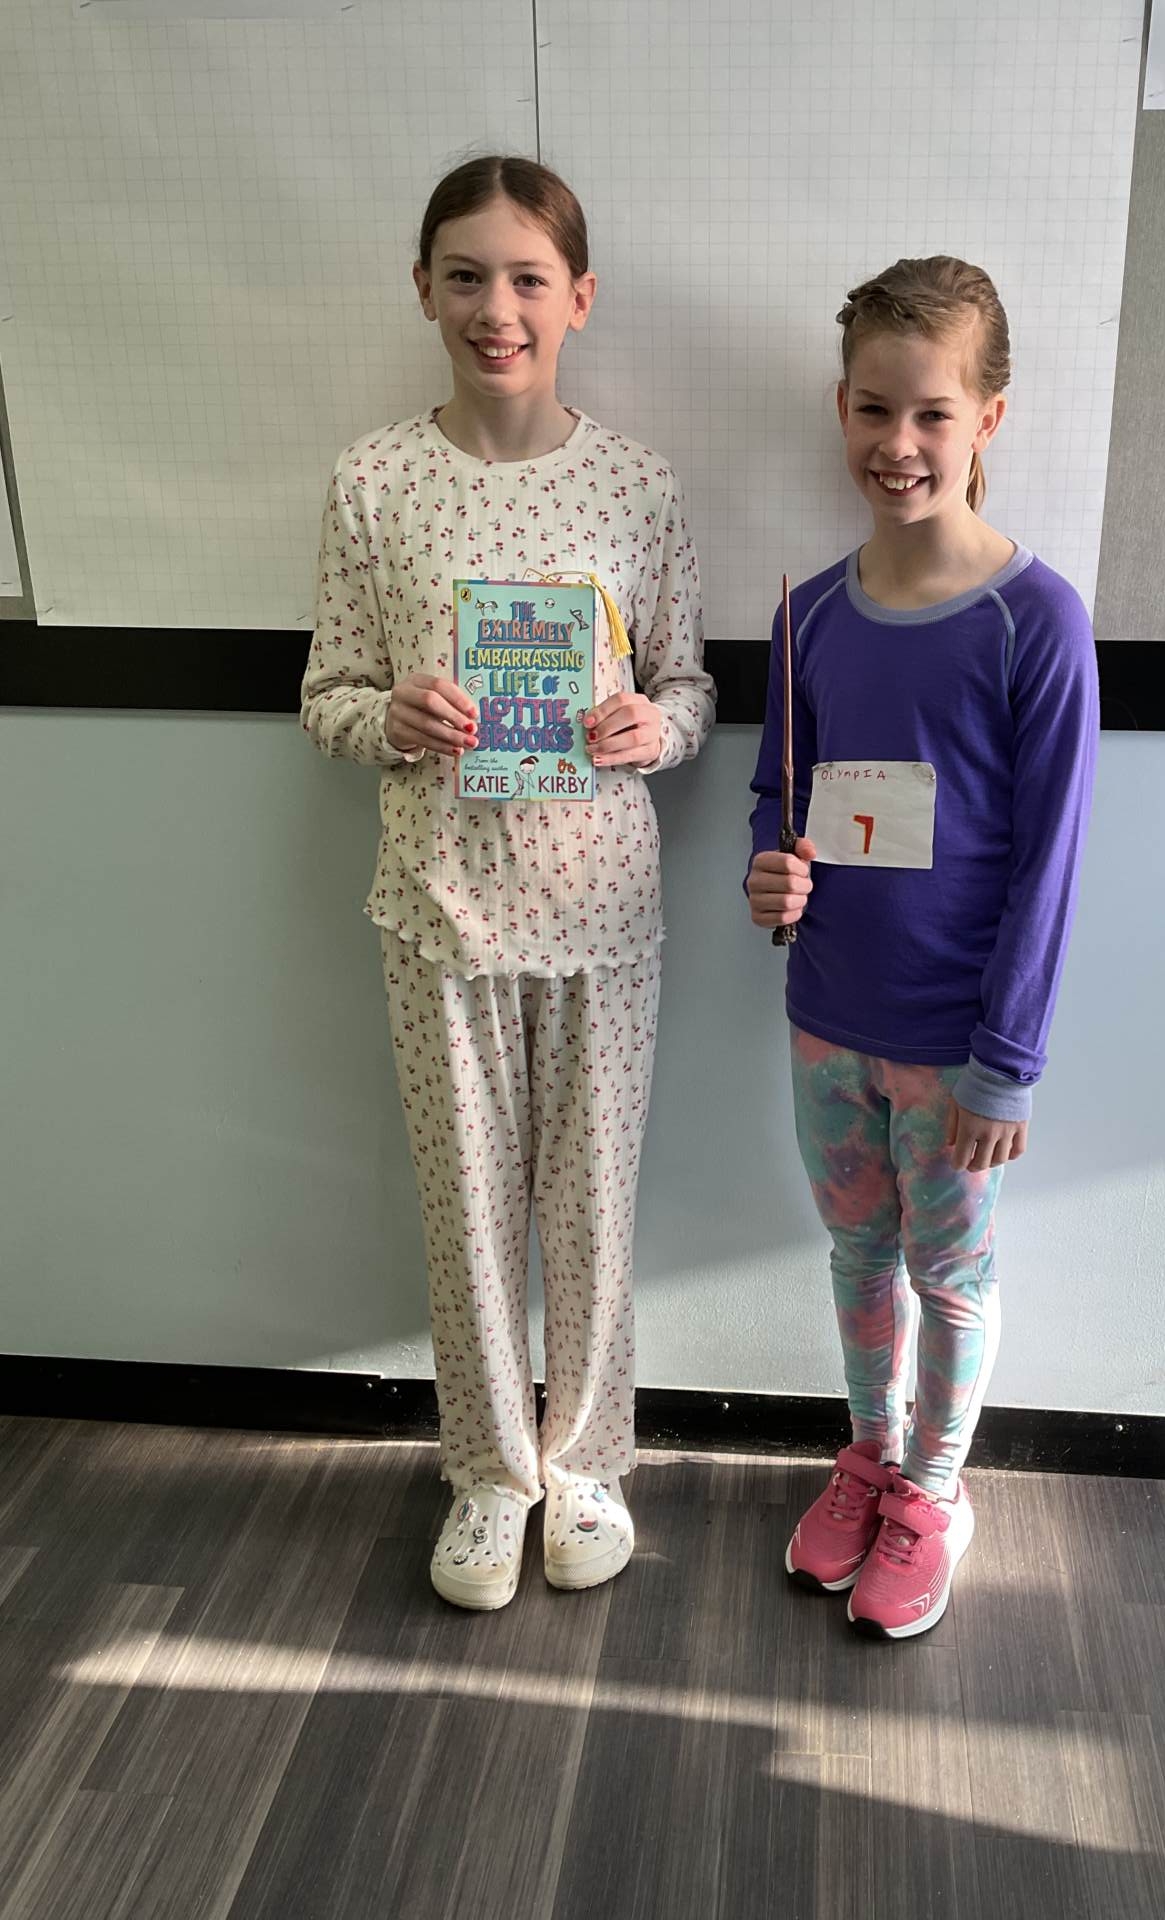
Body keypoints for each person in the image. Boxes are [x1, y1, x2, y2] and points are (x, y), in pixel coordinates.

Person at [302, 154, 713, 1610]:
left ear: (578, 298)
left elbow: (689, 686)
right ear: (424, 289)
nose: (498, 309)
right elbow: (326, 694)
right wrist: (389, 717)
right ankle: (488, 1471)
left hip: (602, 915)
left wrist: (658, 729)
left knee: (591, 1209)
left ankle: (587, 1460)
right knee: (467, 1211)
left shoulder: (637, 485)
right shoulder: (374, 482)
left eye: (528, 279)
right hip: (441, 914)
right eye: (467, 277)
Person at [747, 256, 1097, 1639]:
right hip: (828, 1024)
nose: (900, 443)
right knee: (856, 1257)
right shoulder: (810, 614)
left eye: (933, 413)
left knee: (950, 1278)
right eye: (875, 409)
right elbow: (780, 792)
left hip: (957, 1048)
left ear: (987, 420)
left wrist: (1007, 1062)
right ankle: (872, 1457)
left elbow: (1050, 862)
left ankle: (936, 1494)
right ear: (840, 406)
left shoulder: (1035, 621)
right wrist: (772, 871)